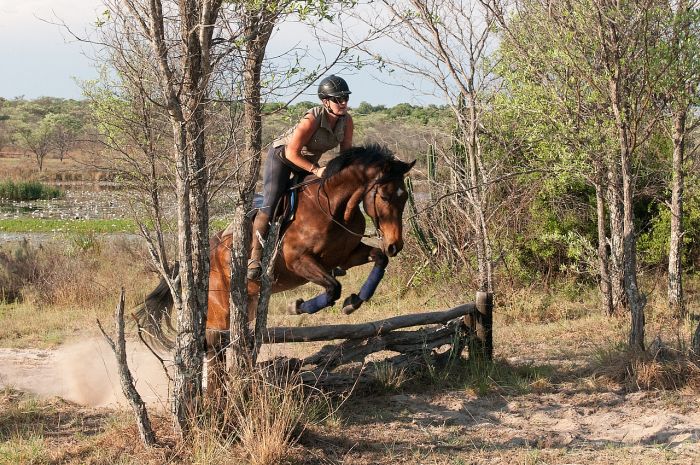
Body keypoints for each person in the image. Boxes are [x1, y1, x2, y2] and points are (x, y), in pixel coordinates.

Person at [247, 75, 355, 280]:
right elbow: (291, 153)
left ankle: (327, 256)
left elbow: (346, 152)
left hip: (308, 163)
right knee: (271, 202)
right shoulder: (311, 119)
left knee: (322, 201)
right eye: (338, 99)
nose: (343, 103)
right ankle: (255, 257)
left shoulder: (347, 121)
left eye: (345, 99)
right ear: (325, 102)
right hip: (283, 157)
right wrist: (316, 170)